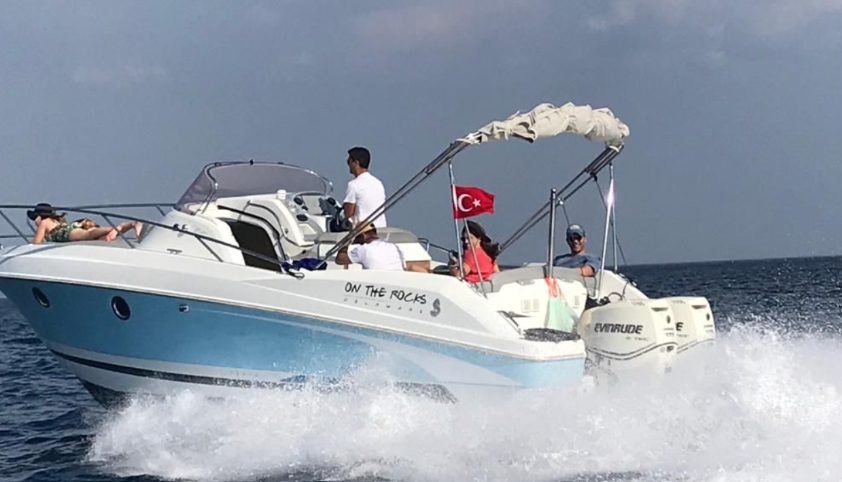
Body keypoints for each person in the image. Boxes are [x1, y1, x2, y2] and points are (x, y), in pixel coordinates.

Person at [28, 203, 142, 244]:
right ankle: (130, 225)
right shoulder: (54, 220)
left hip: (67, 233)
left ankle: (118, 227)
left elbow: (36, 242)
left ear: (39, 216)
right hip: (73, 227)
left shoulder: (44, 222)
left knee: (89, 234)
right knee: (102, 238)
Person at [343, 146, 387, 229]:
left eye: (349, 161)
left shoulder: (353, 185)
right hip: (382, 229)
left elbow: (348, 214)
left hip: (364, 231)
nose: (348, 164)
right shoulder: (378, 183)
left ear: (356, 163)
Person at [335, 224, 404, 270]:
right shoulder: (393, 246)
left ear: (363, 236)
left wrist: (345, 244)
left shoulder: (364, 249)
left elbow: (340, 260)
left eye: (357, 237)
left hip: (376, 285)